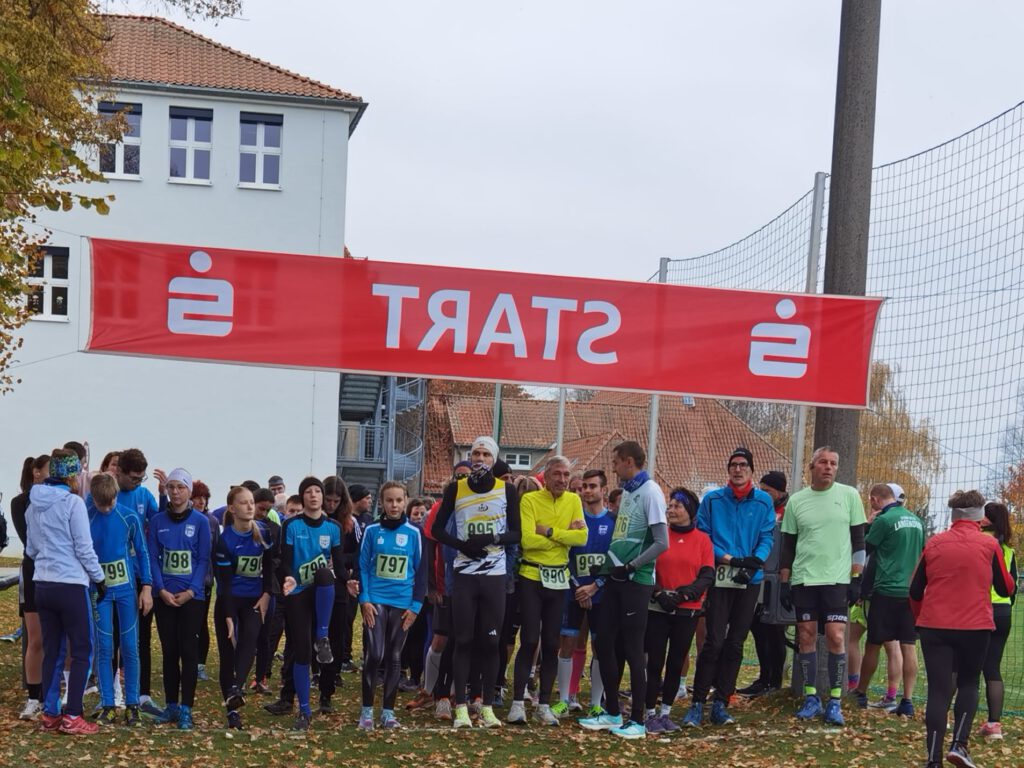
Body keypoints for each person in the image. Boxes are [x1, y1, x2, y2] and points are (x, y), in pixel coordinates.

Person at [910, 490, 1015, 768]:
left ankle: (933, 759)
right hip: (975, 626)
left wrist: (921, 618)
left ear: (954, 515)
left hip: (934, 625)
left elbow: (915, 590)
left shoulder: (934, 544)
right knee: (969, 683)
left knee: (938, 691)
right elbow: (1006, 587)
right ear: (980, 517)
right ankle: (959, 745)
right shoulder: (989, 545)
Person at [430, 436, 521, 729]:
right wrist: (462, 545)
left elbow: (517, 534)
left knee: (491, 641)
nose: (480, 458)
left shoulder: (506, 490)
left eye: (485, 454)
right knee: (464, 640)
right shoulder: (456, 488)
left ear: (493, 460)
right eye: (475, 453)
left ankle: (486, 707)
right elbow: (436, 529)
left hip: (494, 576)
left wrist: (493, 538)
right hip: (465, 574)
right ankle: (459, 708)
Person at [579, 440, 668, 739]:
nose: (613, 467)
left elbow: (661, 542)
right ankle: (613, 712)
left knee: (632, 649)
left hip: (636, 582)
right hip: (616, 580)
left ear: (629, 461)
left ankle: (639, 721)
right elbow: (622, 539)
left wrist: (631, 567)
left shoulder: (651, 491)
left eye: (616, 462)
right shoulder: (628, 492)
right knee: (603, 643)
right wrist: (604, 568)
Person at [682, 448, 775, 728]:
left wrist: (756, 561)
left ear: (751, 470)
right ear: (728, 470)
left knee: (735, 643)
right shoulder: (712, 500)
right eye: (733, 465)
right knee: (713, 642)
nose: (738, 469)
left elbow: (767, 535)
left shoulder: (763, 502)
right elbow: (705, 536)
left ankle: (721, 702)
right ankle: (698, 703)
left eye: (743, 465)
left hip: (750, 579)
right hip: (721, 575)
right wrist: (730, 559)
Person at [779, 446, 866, 727]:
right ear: (811, 466)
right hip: (804, 578)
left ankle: (836, 702)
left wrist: (856, 579)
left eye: (833, 463)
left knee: (836, 637)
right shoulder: (797, 501)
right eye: (823, 463)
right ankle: (811, 698)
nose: (828, 467)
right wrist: (784, 582)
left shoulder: (850, 496)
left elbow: (859, 543)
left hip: (837, 580)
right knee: (805, 635)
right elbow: (788, 545)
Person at [25, 449, 106, 735]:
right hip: (71, 584)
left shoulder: (33, 504)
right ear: (72, 475)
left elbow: (31, 549)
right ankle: (73, 714)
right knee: (83, 649)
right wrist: (99, 578)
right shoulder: (73, 503)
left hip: (43, 584)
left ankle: (50, 712)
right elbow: (84, 547)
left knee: (54, 651)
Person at [508, 456, 587, 726]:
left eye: (566, 475)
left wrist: (551, 531)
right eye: (557, 474)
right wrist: (565, 534)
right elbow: (528, 541)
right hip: (531, 575)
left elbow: (582, 538)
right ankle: (518, 703)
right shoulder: (530, 500)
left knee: (552, 644)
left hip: (559, 579)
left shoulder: (574, 501)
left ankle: (543, 704)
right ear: (546, 476)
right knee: (530, 640)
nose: (563, 480)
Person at [277, 476, 347, 731]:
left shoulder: (334, 527)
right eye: (309, 491)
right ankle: (304, 711)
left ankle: (323, 637)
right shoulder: (291, 526)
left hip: (323, 592)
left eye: (318, 491)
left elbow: (338, 566)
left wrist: (349, 580)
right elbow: (284, 560)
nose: (314, 495)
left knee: (325, 573)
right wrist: (287, 578)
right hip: (298, 593)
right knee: (302, 653)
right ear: (303, 496)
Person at [357, 482, 427, 730]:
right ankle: (366, 712)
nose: (394, 505)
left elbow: (421, 572)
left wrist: (416, 606)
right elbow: (363, 566)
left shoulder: (415, 533)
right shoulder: (372, 531)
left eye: (399, 500)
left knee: (395, 656)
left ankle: (388, 713)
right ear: (382, 503)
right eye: (389, 500)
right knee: (375, 653)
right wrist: (364, 599)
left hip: (403, 602)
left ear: (405, 501)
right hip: (375, 599)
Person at [147, 468, 212, 730]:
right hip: (165, 596)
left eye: (180, 487)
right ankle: (171, 705)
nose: (175, 492)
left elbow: (203, 559)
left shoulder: (201, 522)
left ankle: (187, 708)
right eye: (171, 487)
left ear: (189, 491)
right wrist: (160, 590)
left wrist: (191, 591)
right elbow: (152, 557)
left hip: (191, 598)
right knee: (169, 651)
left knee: (188, 651)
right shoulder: (157, 521)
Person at [645, 487, 714, 733]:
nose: (671, 510)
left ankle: (666, 712)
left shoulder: (702, 540)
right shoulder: (659, 536)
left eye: (678, 506)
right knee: (654, 661)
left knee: (676, 661)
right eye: (670, 505)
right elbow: (647, 568)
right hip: (658, 608)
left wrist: (686, 594)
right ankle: (649, 712)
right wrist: (659, 592)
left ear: (689, 511)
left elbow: (707, 574)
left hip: (687, 610)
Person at [852, 483, 923, 717]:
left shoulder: (884, 520)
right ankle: (907, 700)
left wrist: (867, 525)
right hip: (910, 592)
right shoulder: (916, 521)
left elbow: (865, 549)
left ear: (874, 500)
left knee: (873, 643)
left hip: (886, 590)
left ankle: (860, 692)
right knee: (908, 646)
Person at [88, 472, 153, 726]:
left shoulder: (129, 516)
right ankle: (108, 704)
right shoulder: (87, 514)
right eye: (101, 504)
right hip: (100, 591)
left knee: (130, 646)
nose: (106, 508)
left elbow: (143, 552)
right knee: (104, 648)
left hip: (126, 590)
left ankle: (133, 704)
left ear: (116, 495)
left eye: (110, 503)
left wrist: (146, 587)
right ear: (93, 498)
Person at [552, 468, 613, 717]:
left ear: (603, 490)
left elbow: (615, 559)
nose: (587, 491)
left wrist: (596, 585)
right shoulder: (573, 521)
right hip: (574, 592)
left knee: (601, 647)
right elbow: (563, 557)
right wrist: (579, 588)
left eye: (592, 486)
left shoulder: (613, 522)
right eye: (584, 486)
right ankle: (564, 700)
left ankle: (596, 703)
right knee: (567, 643)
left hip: (602, 594)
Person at [214, 486, 275, 730]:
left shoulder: (264, 533)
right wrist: (228, 616)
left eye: (251, 502)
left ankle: (236, 688)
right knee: (228, 653)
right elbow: (225, 581)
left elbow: (271, 566)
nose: (250, 507)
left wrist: (267, 594)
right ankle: (232, 713)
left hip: (254, 600)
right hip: (229, 599)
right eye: (243, 503)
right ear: (232, 508)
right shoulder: (224, 540)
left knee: (250, 640)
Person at [114, 448, 162, 717]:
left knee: (142, 637)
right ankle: (112, 695)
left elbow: (158, 524)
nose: (137, 482)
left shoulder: (144, 495)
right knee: (112, 637)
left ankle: (143, 694)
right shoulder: (107, 494)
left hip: (141, 577)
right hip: (112, 580)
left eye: (141, 478)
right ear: (119, 472)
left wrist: (165, 494)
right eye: (133, 477)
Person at [738, 470, 789, 697]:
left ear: (780, 492)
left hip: (777, 578)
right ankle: (764, 677)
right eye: (761, 489)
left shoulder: (786, 512)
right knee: (757, 627)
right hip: (758, 574)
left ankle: (774, 680)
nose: (763, 494)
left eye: (767, 490)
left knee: (774, 631)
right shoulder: (760, 509)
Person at [12, 454, 49, 721]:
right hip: (32, 572)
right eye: (48, 470)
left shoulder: (58, 500)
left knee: (57, 639)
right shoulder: (20, 502)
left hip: (57, 575)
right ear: (36, 472)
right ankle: (33, 697)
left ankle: (53, 695)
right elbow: (29, 540)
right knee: (35, 639)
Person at [319, 475, 359, 713]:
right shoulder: (315, 519)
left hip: (339, 583)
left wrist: (339, 561)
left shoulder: (349, 524)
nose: (331, 505)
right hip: (315, 581)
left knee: (336, 634)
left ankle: (329, 685)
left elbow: (357, 554)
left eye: (335, 501)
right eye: (328, 500)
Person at [979, 500, 1017, 742]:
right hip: (1003, 612)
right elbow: (1011, 589)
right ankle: (994, 725)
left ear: (987, 519)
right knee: (992, 668)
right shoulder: (1009, 551)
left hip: (980, 611)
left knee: (963, 667)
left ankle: (947, 716)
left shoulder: (980, 542)